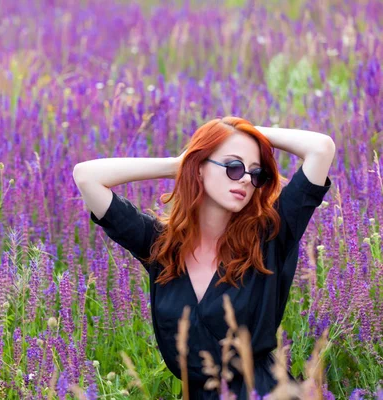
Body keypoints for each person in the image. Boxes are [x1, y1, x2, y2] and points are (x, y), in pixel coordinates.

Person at [72, 116, 334, 399]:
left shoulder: (270, 236)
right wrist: (179, 163)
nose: (246, 178)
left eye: (256, 173)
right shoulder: (161, 246)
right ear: (199, 169)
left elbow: (321, 148)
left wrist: (241, 129)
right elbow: (87, 176)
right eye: (233, 167)